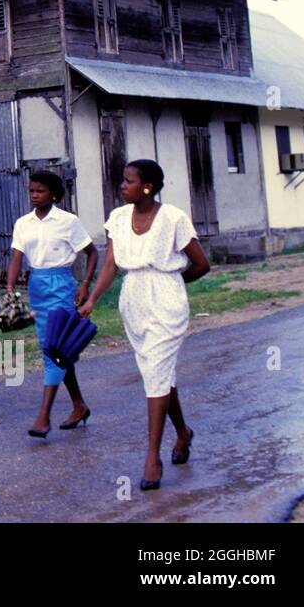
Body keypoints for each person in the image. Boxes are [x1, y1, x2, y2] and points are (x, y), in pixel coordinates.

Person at [81, 159, 210, 491]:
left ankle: (152, 457)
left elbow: (201, 264)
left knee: (156, 372)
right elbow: (110, 263)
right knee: (158, 373)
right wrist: (93, 299)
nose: (122, 186)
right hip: (133, 299)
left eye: (129, 181)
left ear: (148, 187)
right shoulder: (119, 218)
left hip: (166, 299)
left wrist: (171, 283)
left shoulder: (173, 218)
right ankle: (183, 432)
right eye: (122, 181)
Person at [6, 170, 99, 438]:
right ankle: (79, 405)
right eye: (31, 191)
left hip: (62, 287)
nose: (35, 196)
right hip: (37, 287)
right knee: (58, 350)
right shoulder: (23, 223)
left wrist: (85, 283)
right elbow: (16, 257)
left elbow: (92, 253)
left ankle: (43, 417)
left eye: (40, 191)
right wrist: (10, 288)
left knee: (54, 350)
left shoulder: (68, 221)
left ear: (54, 194)